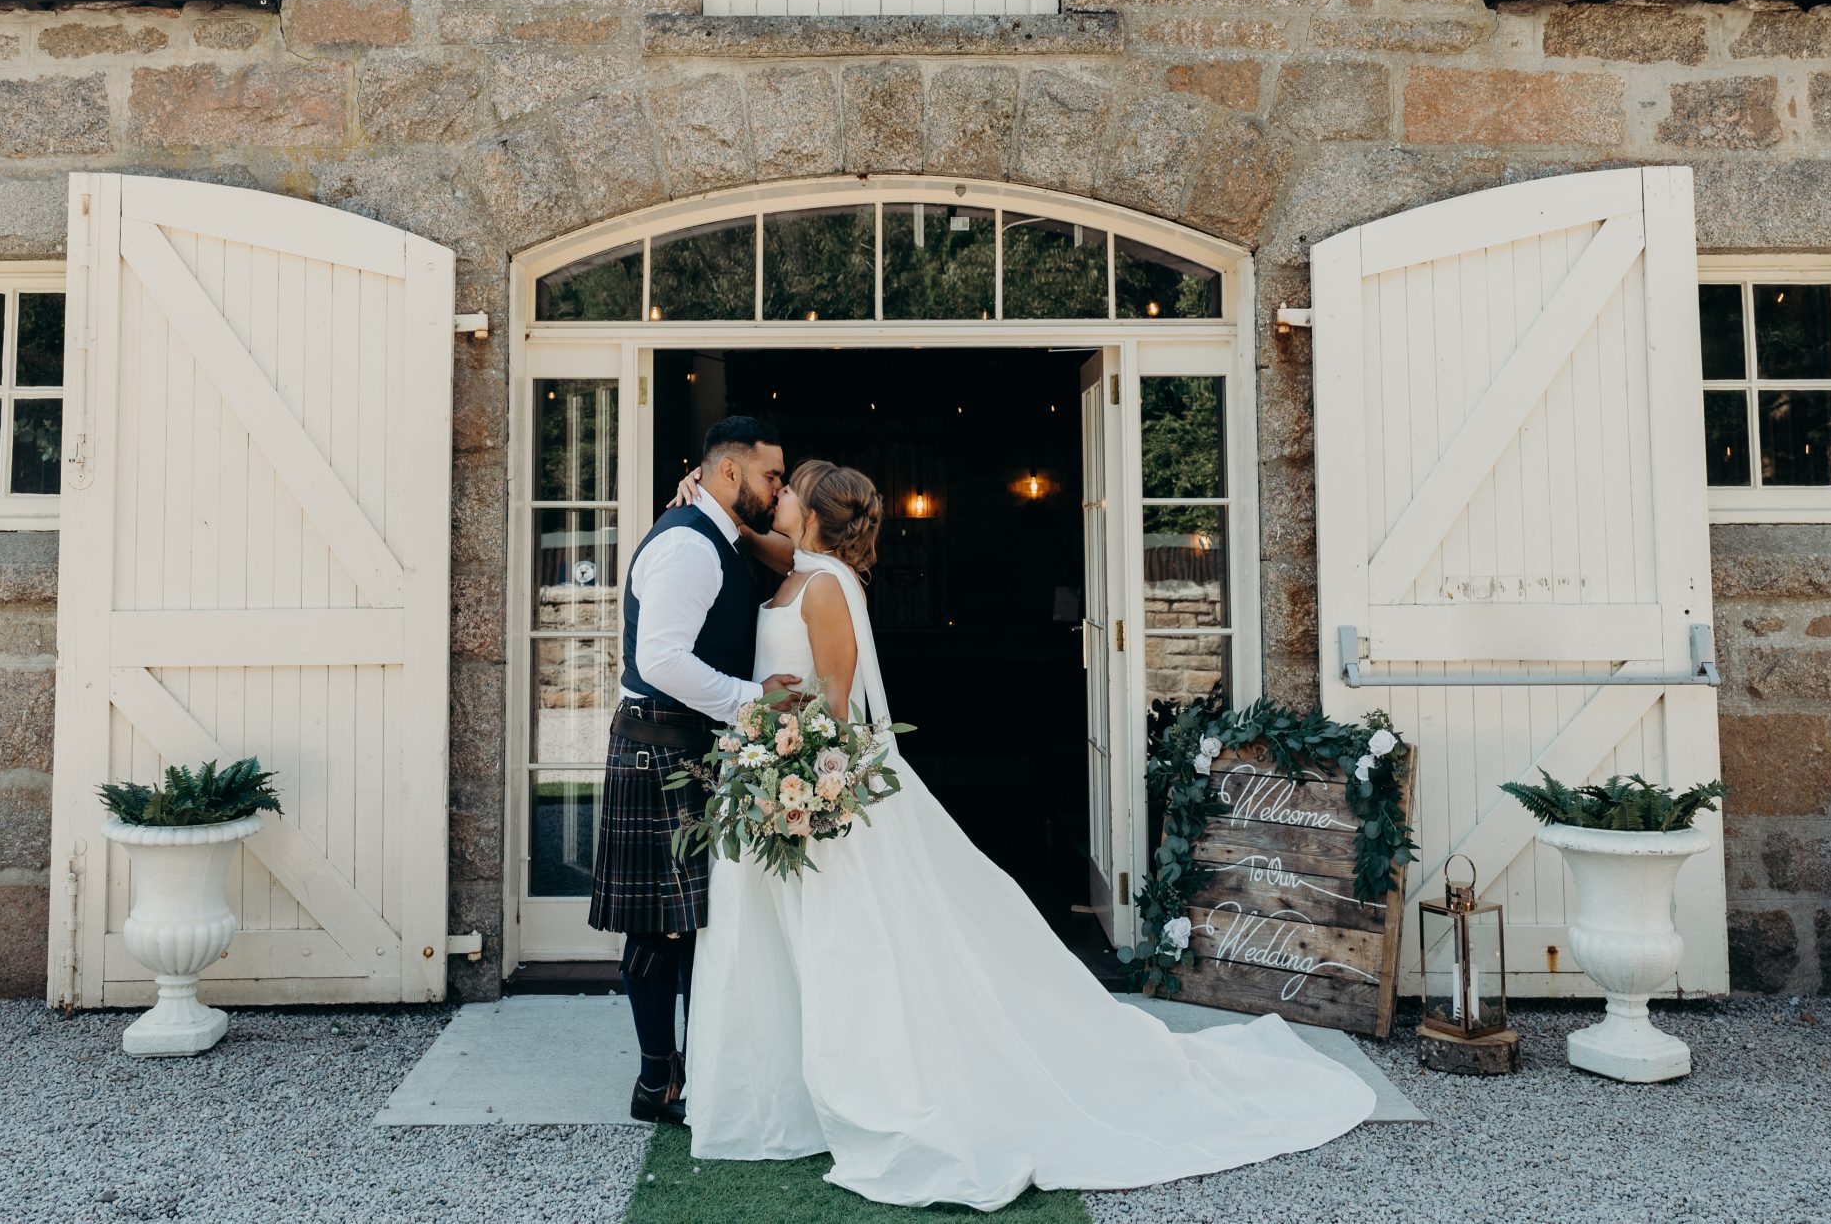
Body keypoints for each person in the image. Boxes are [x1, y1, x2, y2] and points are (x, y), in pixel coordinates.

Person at [685, 459, 1375, 1209]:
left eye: (788, 489)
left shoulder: (823, 589)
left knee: (851, 946)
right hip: (779, 787)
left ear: (813, 512)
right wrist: (720, 518)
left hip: (818, 793)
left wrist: (777, 758)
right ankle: (798, 1091)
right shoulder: (799, 569)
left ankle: (877, 1088)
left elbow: (837, 706)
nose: (775, 493)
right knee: (808, 944)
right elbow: (769, 550)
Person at [587, 415, 810, 1127]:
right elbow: (660, 661)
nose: (779, 488)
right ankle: (657, 1083)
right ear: (728, 471)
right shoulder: (688, 543)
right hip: (662, 747)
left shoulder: (713, 531)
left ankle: (687, 1067)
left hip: (683, 747)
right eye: (771, 475)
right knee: (659, 927)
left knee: (687, 922)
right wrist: (756, 700)